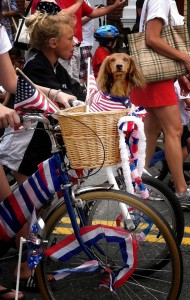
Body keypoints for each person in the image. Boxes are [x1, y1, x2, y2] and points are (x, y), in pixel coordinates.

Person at [130, 0, 190, 208]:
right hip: (156, 80)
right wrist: (184, 58)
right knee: (174, 131)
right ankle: (181, 191)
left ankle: (138, 182)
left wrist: (178, 74)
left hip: (155, 77)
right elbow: (152, 39)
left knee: (151, 132)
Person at [31, 0, 127, 82]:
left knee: (72, 78)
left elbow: (93, 13)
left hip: (71, 46)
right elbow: (57, 15)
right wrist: (78, 3)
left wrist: (114, 6)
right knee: (62, 78)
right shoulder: (49, 2)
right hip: (58, 47)